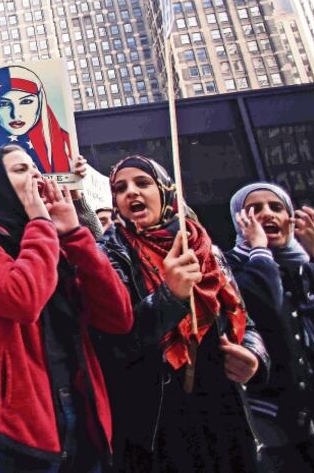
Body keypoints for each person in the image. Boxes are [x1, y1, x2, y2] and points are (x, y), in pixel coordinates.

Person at [0, 145, 133, 472]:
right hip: (18, 428)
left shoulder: (51, 238)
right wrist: (41, 225)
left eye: (35, 168)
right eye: (20, 170)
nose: (35, 175)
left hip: (80, 410)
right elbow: (22, 298)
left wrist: (76, 234)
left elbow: (118, 317)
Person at [97, 156, 268, 472]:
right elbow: (114, 342)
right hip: (160, 421)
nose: (131, 193)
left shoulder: (203, 246)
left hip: (223, 406)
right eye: (121, 188)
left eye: (143, 183)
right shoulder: (109, 254)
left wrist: (253, 356)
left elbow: (245, 320)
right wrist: (170, 297)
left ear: (165, 191)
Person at [226, 183, 314, 471]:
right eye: (254, 209)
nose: (267, 214)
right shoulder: (230, 267)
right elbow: (265, 301)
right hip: (269, 421)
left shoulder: (304, 265)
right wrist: (259, 250)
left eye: (276, 208)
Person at [0, 65, 73, 174]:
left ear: (40, 102)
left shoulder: (66, 147)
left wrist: (78, 179)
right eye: (4, 104)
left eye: (26, 102)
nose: (16, 114)